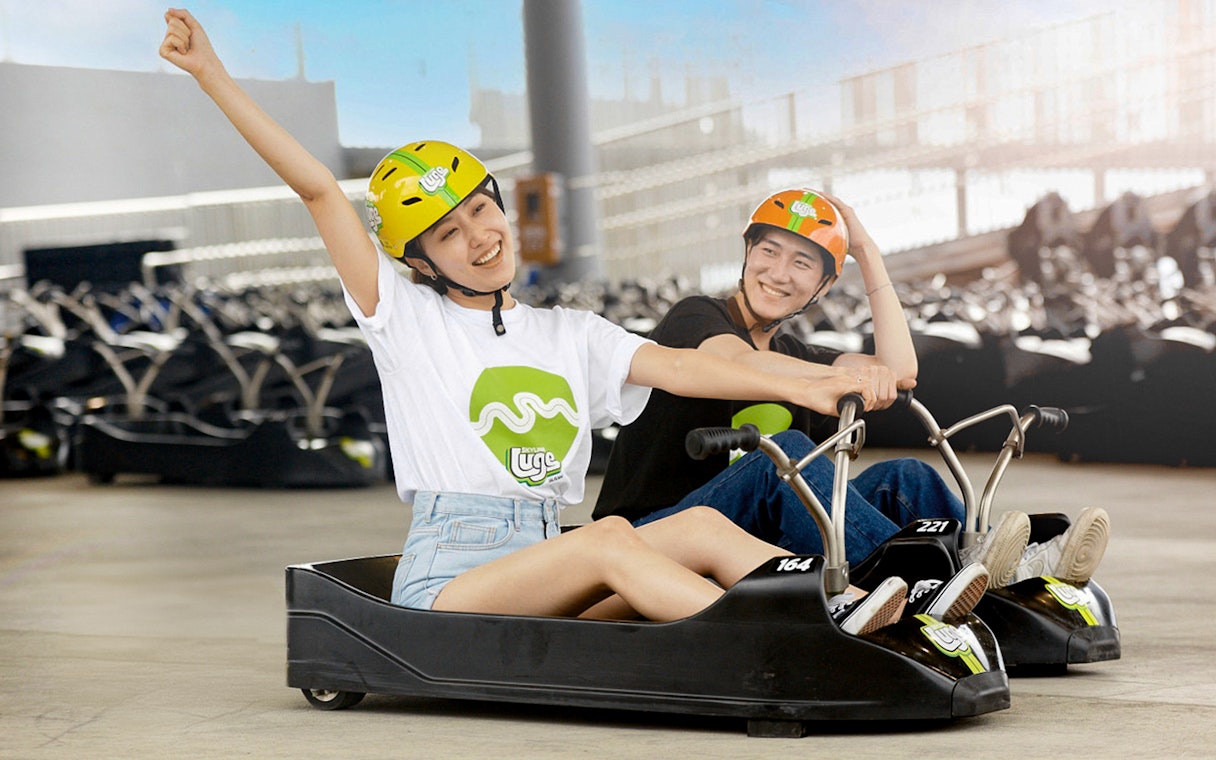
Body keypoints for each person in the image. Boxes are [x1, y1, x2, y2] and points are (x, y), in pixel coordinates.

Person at [158, 9, 991, 634]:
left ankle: (852, 610)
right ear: (420, 261)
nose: (480, 236)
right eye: (450, 233)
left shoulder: (571, 335)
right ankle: (801, 636)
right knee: (611, 542)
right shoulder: (403, 319)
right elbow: (319, 192)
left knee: (692, 526)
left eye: (483, 211)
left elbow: (701, 370)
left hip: (550, 554)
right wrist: (212, 76)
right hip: (457, 572)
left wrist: (828, 375)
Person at [594, 189, 1110, 589]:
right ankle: (931, 581)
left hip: (746, 537)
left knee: (904, 477)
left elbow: (900, 371)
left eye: (802, 264)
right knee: (784, 458)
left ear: (821, 286)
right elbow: (734, 361)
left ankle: (1007, 567)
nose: (779, 273)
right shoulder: (696, 316)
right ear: (747, 254)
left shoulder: (799, 354)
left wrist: (866, 252)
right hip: (650, 532)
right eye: (769, 252)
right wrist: (831, 382)